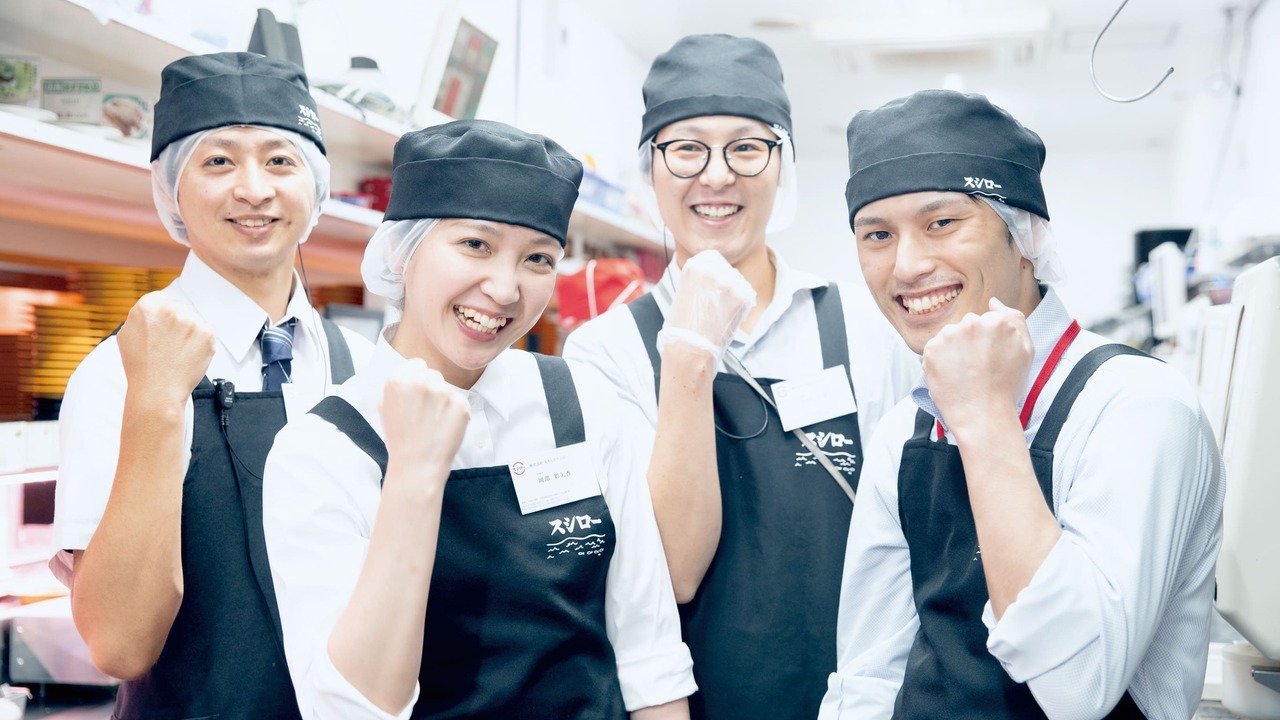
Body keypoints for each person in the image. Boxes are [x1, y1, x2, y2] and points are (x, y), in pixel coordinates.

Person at [261, 119, 696, 720]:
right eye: (475, 245)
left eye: (538, 258)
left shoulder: (582, 402)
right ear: (403, 251)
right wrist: (413, 471)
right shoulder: (322, 450)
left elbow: (650, 654)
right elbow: (355, 709)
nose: (505, 288)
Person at [818, 89, 1226, 719]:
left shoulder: (1136, 407)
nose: (906, 266)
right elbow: (868, 677)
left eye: (941, 223)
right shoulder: (905, 430)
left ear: (1025, 235)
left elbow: (1078, 687)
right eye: (877, 234)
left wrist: (983, 412)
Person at [563, 34, 918, 720]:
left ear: (782, 165)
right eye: (687, 148)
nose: (717, 176)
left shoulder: (864, 325)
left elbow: (908, 551)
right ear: (651, 168)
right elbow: (671, 571)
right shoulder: (605, 353)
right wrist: (690, 352)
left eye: (747, 148)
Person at [50, 52, 374, 720]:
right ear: (172, 191)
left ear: (315, 188)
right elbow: (119, 644)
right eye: (218, 161)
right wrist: (157, 404)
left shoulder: (365, 368)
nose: (254, 189)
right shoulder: (115, 374)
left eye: (281, 161)